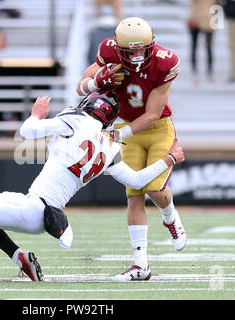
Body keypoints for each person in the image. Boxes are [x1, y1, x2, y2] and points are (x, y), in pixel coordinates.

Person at [0, 90, 185, 284]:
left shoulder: (77, 120)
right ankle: (21, 259)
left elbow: (27, 131)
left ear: (89, 107)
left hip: (35, 207)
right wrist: (169, 159)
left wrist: (36, 115)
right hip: (45, 215)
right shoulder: (109, 147)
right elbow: (137, 182)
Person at [76, 17, 187, 281]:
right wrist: (96, 83)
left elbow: (152, 114)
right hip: (126, 127)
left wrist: (116, 133)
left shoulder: (165, 62)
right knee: (134, 195)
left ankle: (170, 216)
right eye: (131, 51)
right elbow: (81, 85)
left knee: (154, 190)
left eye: (142, 49)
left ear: (151, 45)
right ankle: (141, 265)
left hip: (157, 128)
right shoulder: (108, 52)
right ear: (119, 48)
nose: (138, 56)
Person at [187, 0, 220, 85]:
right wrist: (191, 18)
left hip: (209, 20)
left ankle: (209, 73)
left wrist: (217, 21)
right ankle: (194, 74)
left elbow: (218, 5)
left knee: (209, 48)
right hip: (195, 18)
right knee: (194, 47)